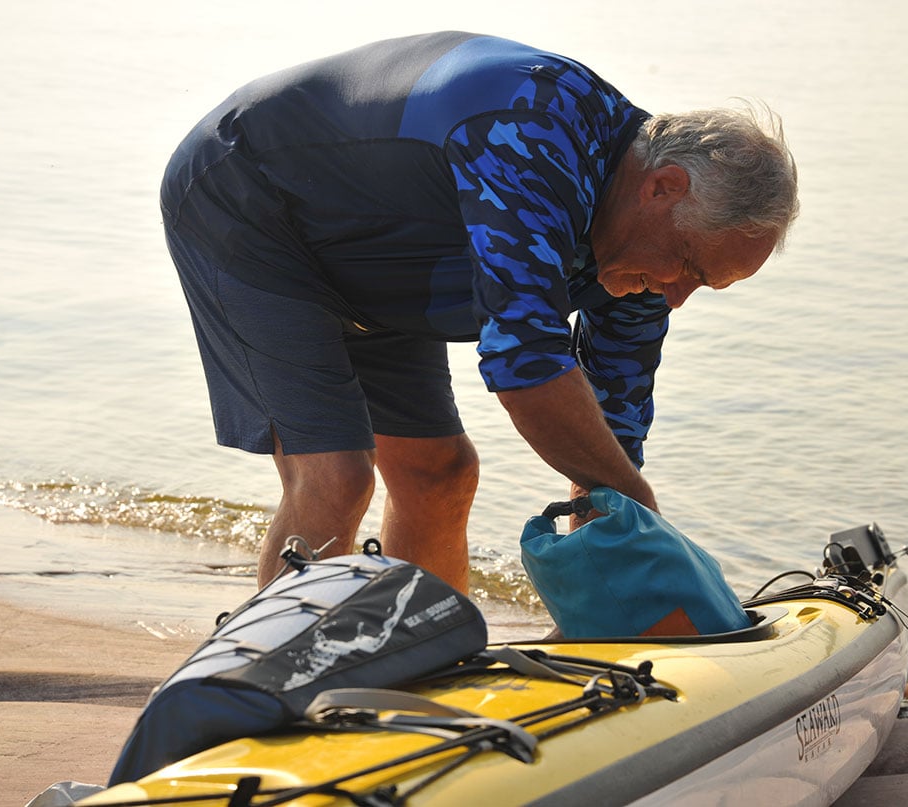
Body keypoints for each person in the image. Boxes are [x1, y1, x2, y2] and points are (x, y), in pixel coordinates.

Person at [161, 31, 798, 592]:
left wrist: (616, 560)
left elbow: (612, 441)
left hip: (377, 254)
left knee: (440, 473)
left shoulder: (641, 266)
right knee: (336, 475)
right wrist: (641, 508)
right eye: (688, 264)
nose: (675, 295)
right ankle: (273, 684)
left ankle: (418, 665)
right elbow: (524, 362)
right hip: (248, 199)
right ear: (663, 187)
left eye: (701, 286)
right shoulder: (534, 129)